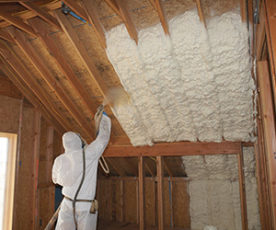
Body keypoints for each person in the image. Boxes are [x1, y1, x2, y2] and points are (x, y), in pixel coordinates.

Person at [52, 107, 111, 230]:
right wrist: (104, 118)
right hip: (85, 207)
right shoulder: (88, 154)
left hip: (67, 203)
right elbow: (103, 139)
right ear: (78, 141)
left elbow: (55, 180)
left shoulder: (60, 159)